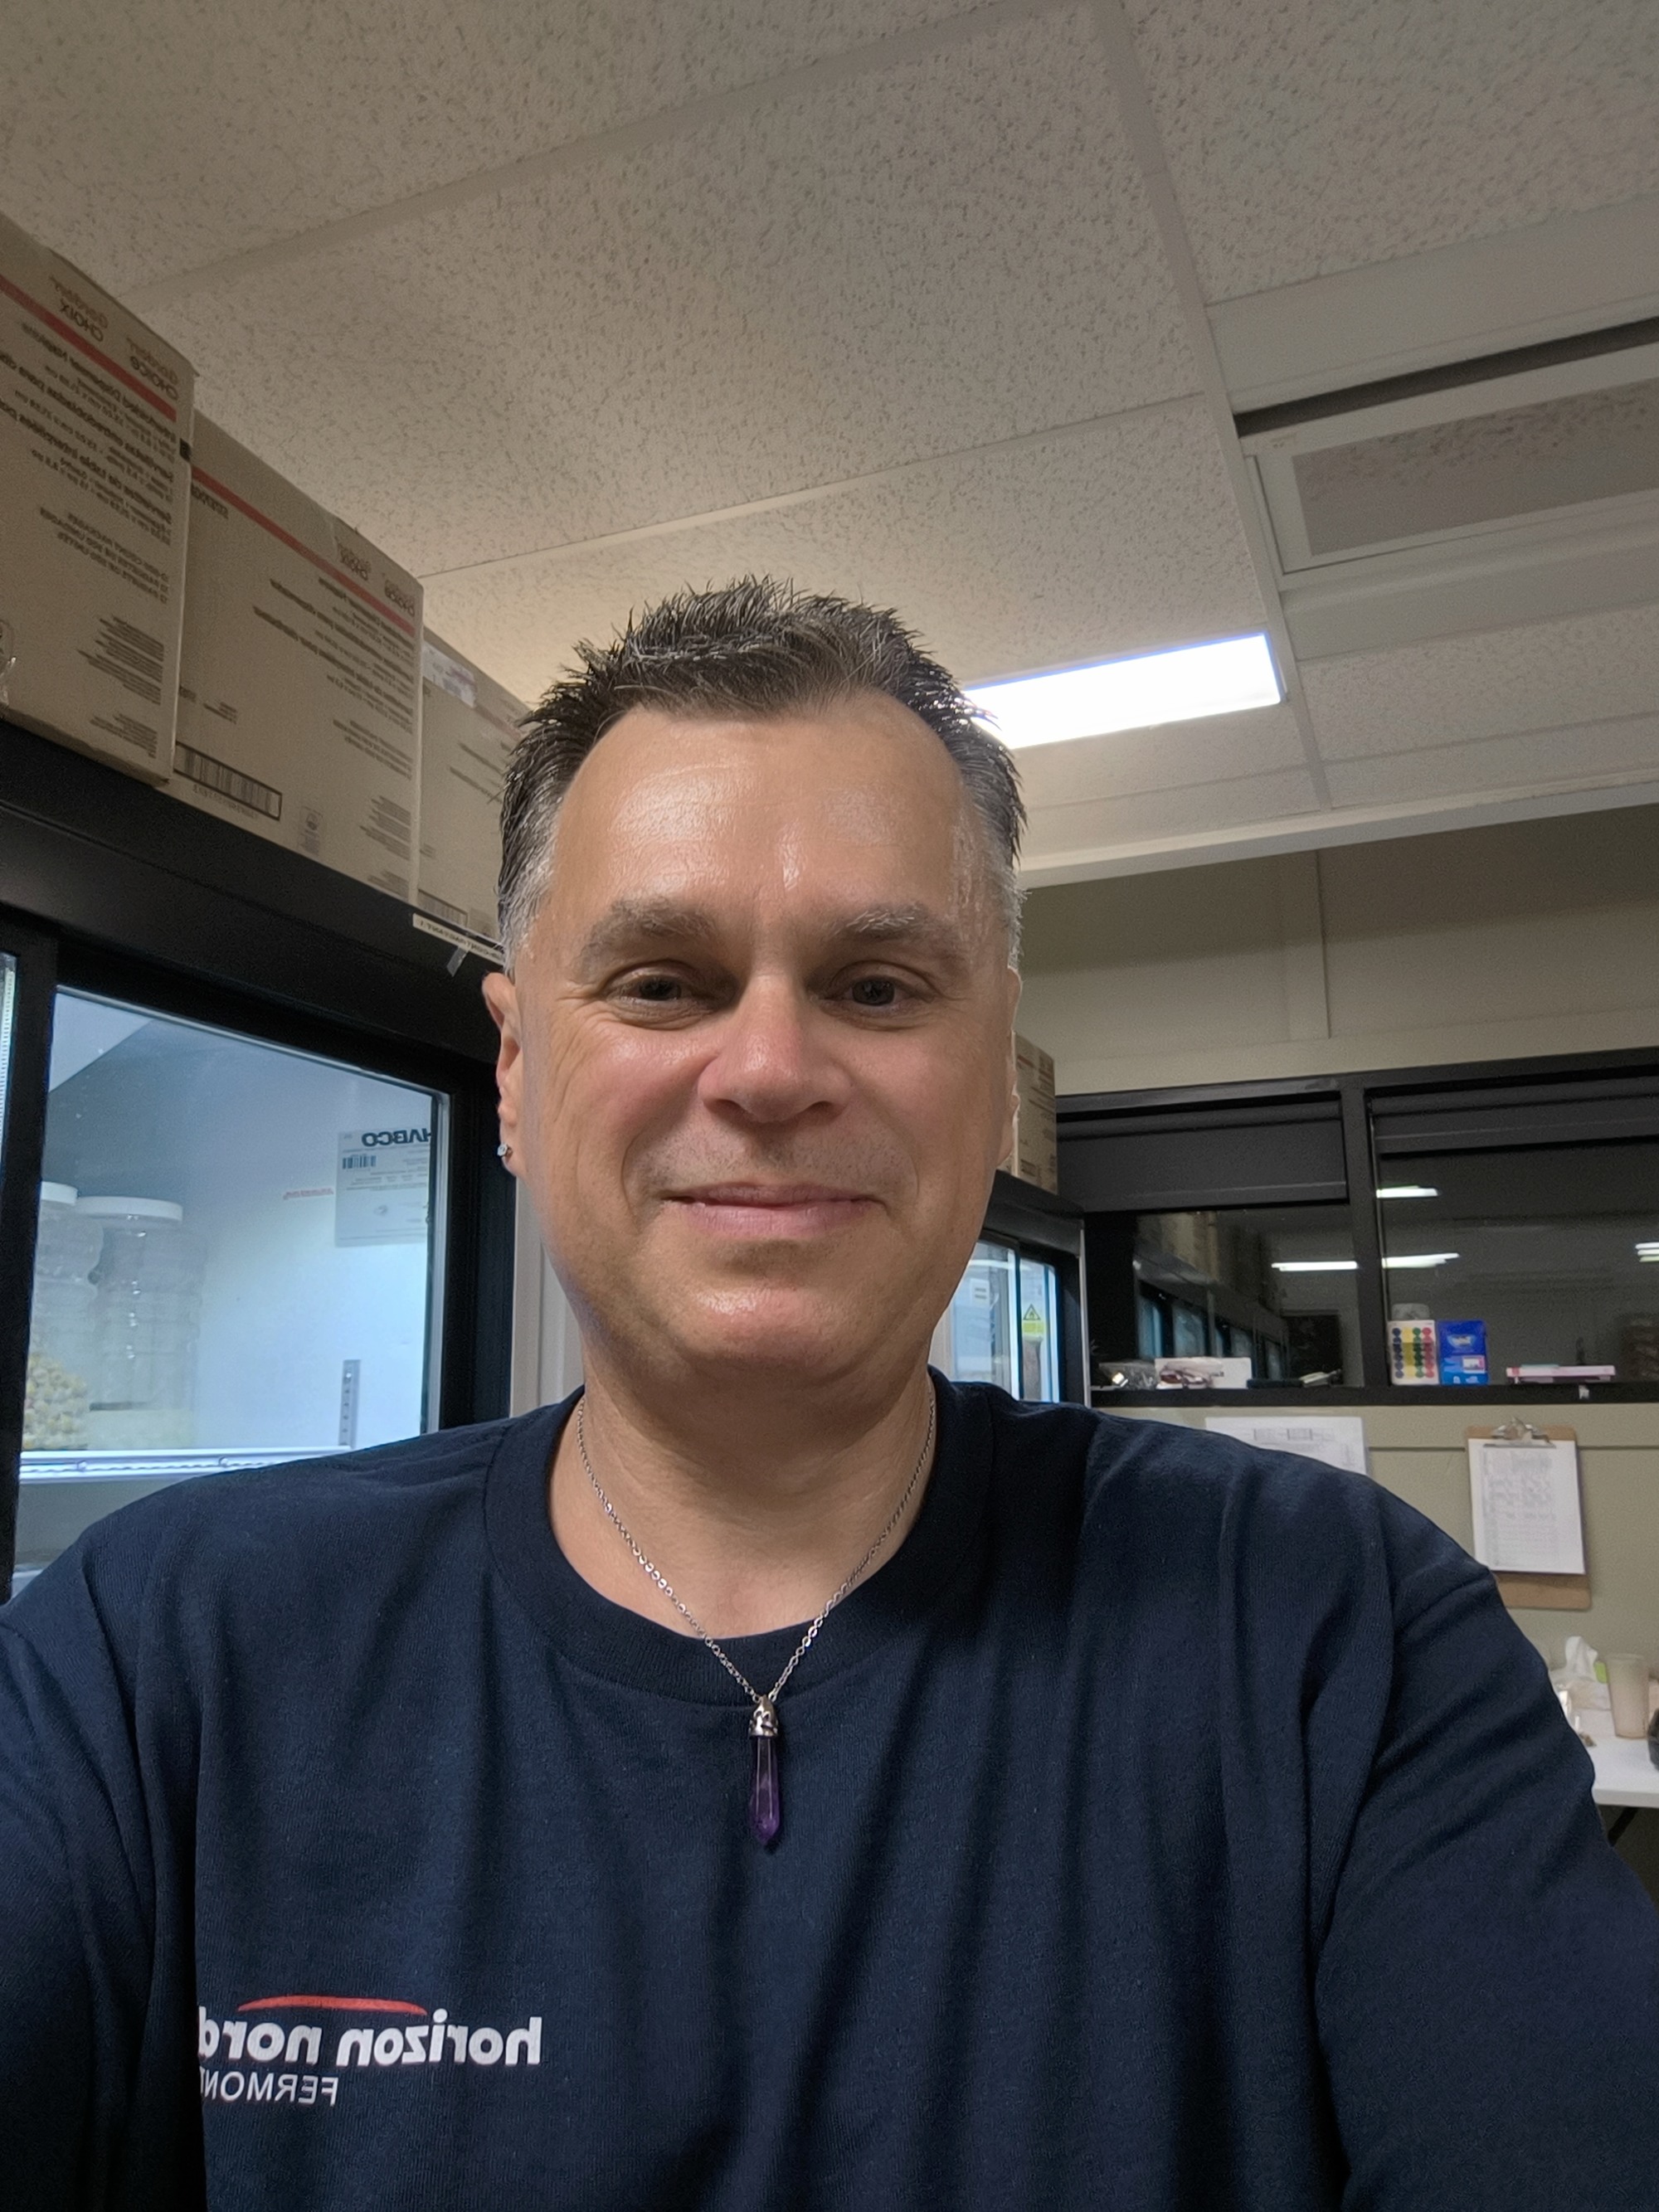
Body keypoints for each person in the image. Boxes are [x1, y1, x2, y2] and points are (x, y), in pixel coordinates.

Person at [1, 578, 1653, 2210]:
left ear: (992, 1077)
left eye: (876, 987)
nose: (772, 1072)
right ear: (511, 1067)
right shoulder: (161, 1651)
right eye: (661, 981)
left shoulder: (1334, 1632)